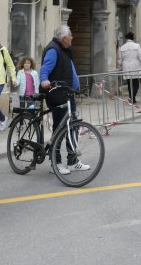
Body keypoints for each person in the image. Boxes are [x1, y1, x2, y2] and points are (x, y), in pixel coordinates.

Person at [39, 25, 89, 175]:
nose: (72, 38)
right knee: (59, 129)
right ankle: (56, 162)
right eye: (71, 35)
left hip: (67, 94)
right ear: (64, 38)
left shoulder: (65, 49)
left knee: (72, 126)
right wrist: (43, 80)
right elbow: (45, 69)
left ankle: (73, 161)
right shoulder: (54, 50)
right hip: (57, 95)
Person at [117, 32, 141, 104]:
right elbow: (140, 56)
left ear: (126, 38)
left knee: (129, 83)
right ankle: (132, 97)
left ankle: (132, 98)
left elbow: (120, 59)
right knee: (136, 82)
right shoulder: (137, 46)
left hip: (126, 66)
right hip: (135, 65)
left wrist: (120, 67)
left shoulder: (122, 47)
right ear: (132, 38)